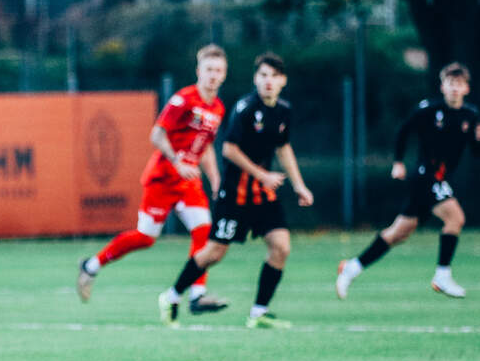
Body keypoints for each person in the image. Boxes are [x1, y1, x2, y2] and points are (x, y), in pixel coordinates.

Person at [157, 53, 314, 328]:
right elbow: (229, 150)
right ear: (255, 78)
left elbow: (283, 147)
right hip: (235, 194)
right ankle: (172, 296)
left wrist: (299, 185)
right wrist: (262, 174)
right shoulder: (245, 108)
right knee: (214, 252)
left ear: (283, 81)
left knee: (281, 246)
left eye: (274, 76)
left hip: (262, 195)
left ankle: (259, 312)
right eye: (263, 75)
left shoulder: (283, 110)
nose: (268, 81)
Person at [77, 44, 229, 313]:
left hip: (189, 182)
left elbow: (205, 147)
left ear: (224, 74)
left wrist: (215, 180)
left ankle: (197, 295)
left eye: (218, 71)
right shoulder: (183, 99)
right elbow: (157, 134)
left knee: (204, 232)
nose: (213, 76)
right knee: (146, 237)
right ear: (198, 71)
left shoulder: (217, 108)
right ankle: (92, 265)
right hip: (164, 177)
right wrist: (178, 161)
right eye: (209, 70)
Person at [336, 62, 480, 299]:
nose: (454, 88)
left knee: (399, 233)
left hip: (440, 178)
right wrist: (398, 161)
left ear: (466, 88)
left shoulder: (471, 114)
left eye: (459, 84)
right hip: (425, 176)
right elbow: (403, 131)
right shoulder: (429, 109)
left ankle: (352, 267)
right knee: (455, 218)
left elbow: (477, 153)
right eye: (450, 83)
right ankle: (442, 275)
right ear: (442, 86)